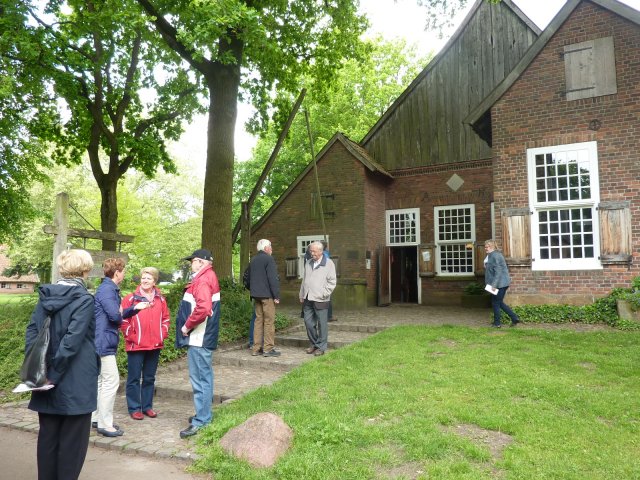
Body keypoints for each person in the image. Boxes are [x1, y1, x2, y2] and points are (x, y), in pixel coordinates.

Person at [24, 248, 97, 480]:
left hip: (45, 379)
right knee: (72, 446)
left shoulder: (46, 296)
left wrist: (38, 371)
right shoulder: (84, 299)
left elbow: (32, 334)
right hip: (74, 381)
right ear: (86, 270)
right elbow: (72, 342)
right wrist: (53, 375)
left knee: (48, 441)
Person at [93, 258, 141, 437]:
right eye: (123, 271)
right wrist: (121, 312)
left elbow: (115, 313)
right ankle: (105, 424)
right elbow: (114, 316)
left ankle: (96, 418)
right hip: (103, 342)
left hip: (102, 340)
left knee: (101, 382)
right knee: (111, 382)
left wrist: (135, 308)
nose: (124, 274)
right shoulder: (107, 289)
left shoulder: (109, 288)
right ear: (117, 273)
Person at [176, 249, 221, 439]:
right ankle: (203, 414)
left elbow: (203, 308)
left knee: (200, 379)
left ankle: (202, 420)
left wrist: (186, 327)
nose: (190, 265)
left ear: (201, 262)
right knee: (204, 377)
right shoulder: (207, 277)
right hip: (203, 336)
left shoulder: (202, 280)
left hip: (198, 337)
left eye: (192, 261)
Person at [120, 267, 170, 420]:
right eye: (143, 278)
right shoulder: (130, 298)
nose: (145, 281)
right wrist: (132, 336)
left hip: (154, 345)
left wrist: (162, 334)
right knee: (134, 378)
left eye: (148, 278)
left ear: (154, 281)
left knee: (149, 378)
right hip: (136, 345)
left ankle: (147, 406)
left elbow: (166, 319)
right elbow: (122, 319)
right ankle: (134, 408)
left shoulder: (160, 299)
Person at [299, 241, 337, 356]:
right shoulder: (308, 262)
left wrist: (324, 294)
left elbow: (332, 282)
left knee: (322, 324)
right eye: (311, 251)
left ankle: (321, 347)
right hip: (307, 298)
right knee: (308, 322)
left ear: (321, 251)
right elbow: (304, 280)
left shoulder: (329, 263)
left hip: (321, 299)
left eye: (314, 251)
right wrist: (301, 294)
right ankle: (315, 344)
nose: (312, 253)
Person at [248, 239, 281, 357]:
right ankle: (268, 349)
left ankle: (256, 348)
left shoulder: (254, 260)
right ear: (266, 248)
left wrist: (252, 290)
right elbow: (273, 279)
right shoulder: (269, 259)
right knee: (269, 322)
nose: (271, 248)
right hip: (267, 296)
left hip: (256, 295)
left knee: (258, 321)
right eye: (270, 246)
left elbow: (247, 277)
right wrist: (276, 295)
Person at [484, 239, 520, 328]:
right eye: (485, 247)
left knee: (496, 303)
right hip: (499, 283)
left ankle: (497, 323)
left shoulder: (495, 256)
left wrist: (494, 285)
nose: (485, 248)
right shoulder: (491, 255)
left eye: (486, 247)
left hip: (500, 284)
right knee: (498, 302)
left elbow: (498, 272)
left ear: (491, 246)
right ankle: (514, 318)